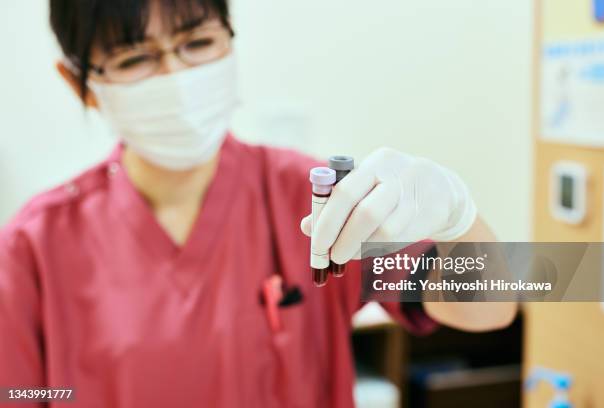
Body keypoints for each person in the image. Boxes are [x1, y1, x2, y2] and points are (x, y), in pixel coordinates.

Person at [0, 0, 516, 407]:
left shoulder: (314, 196)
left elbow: (495, 307)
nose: (175, 77)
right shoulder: (35, 246)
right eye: (134, 57)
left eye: (197, 42)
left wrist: (459, 217)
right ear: (80, 83)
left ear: (230, 43)